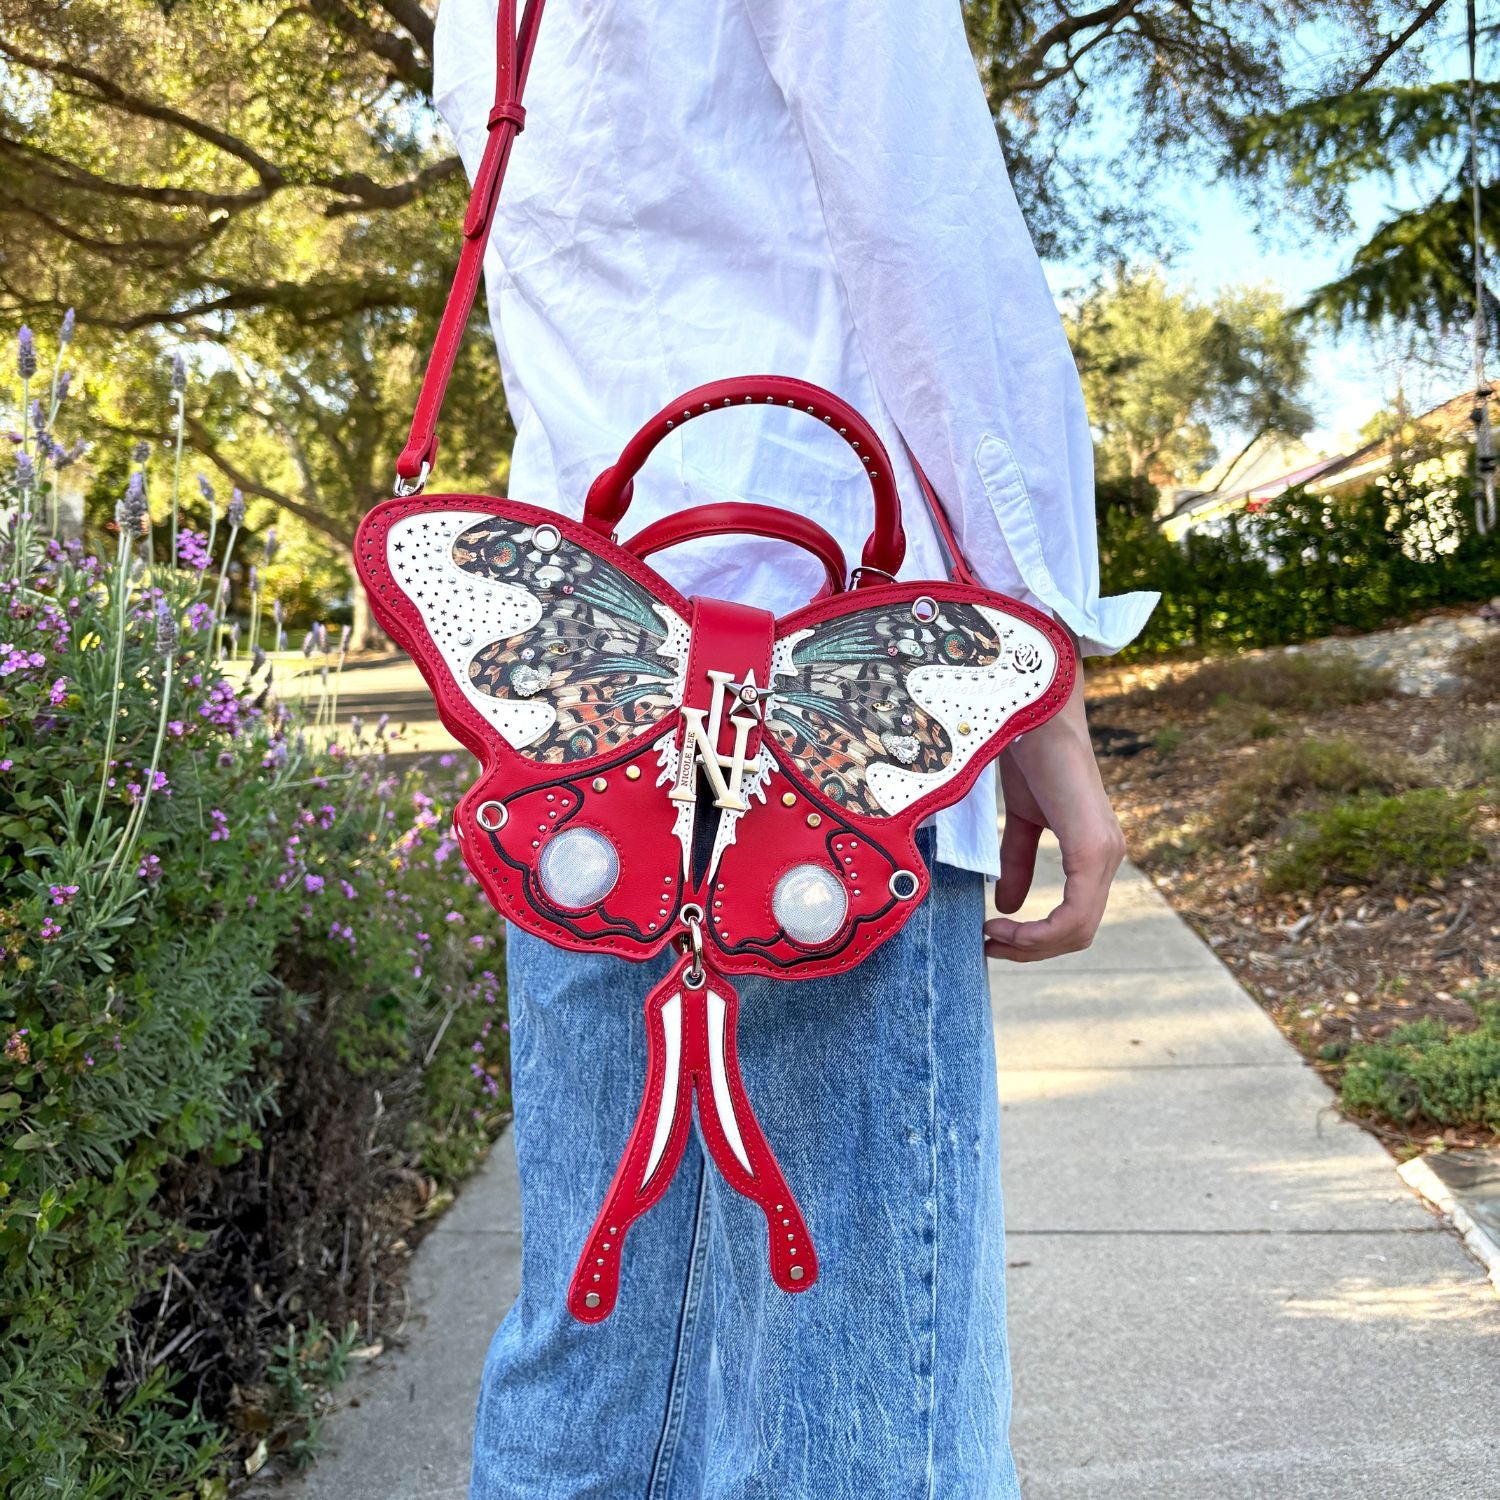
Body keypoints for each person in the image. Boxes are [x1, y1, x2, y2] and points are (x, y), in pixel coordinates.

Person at [433, 1, 1157, 1494]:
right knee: (852, 1413)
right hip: (842, 730)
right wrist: (1039, 671)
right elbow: (925, 230)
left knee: (591, 1383)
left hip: (586, 746)